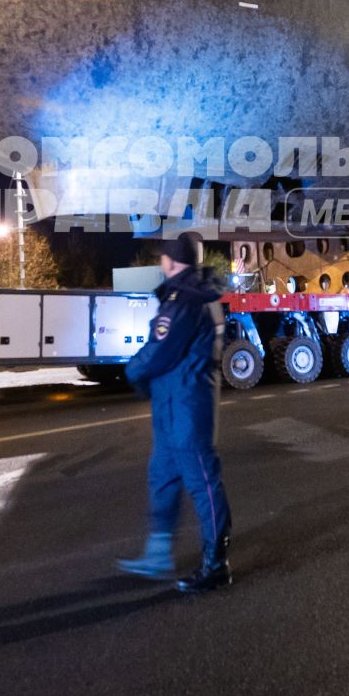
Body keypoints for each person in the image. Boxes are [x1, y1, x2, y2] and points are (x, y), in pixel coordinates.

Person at [117, 231, 233, 594]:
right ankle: (158, 554)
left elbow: (160, 349)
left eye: (162, 258)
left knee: (203, 484)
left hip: (188, 407)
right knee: (163, 477)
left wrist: (132, 370)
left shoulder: (185, 300)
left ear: (169, 261)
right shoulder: (192, 295)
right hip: (173, 407)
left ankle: (216, 564)